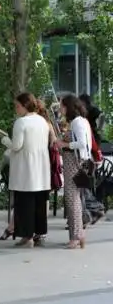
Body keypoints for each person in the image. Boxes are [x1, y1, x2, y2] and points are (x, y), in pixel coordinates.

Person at [0, 93, 51, 248]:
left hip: (25, 168)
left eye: (17, 106)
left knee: (24, 203)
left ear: (25, 106)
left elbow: (17, 145)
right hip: (41, 167)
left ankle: (27, 236)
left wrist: (5, 140)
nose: (16, 109)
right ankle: (39, 234)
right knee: (39, 203)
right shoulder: (43, 121)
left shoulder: (21, 122)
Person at [56, 95, 93, 249]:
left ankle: (76, 236)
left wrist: (64, 144)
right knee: (74, 199)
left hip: (75, 164)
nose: (60, 109)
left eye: (62, 106)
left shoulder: (77, 122)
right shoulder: (81, 121)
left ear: (68, 107)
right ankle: (78, 235)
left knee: (73, 200)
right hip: (78, 163)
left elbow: (82, 143)